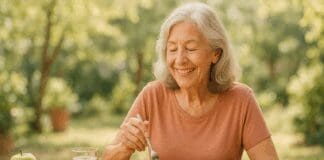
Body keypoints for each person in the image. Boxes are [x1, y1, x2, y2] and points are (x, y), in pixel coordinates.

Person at [103, 2, 278, 160]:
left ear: (215, 54)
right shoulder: (153, 96)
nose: (179, 60)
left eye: (191, 48)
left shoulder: (241, 100)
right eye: (172, 49)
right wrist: (125, 146)